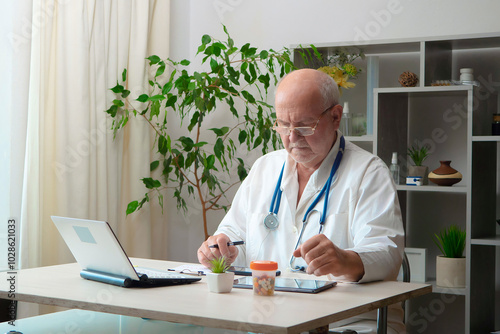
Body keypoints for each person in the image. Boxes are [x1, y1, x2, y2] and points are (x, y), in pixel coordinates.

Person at [197, 68, 405, 333]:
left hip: (348, 324)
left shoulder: (369, 172)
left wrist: (345, 259)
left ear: (336, 117)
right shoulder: (264, 169)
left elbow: (388, 252)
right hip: (272, 319)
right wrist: (221, 248)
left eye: (305, 126)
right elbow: (233, 235)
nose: (292, 138)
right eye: (283, 125)